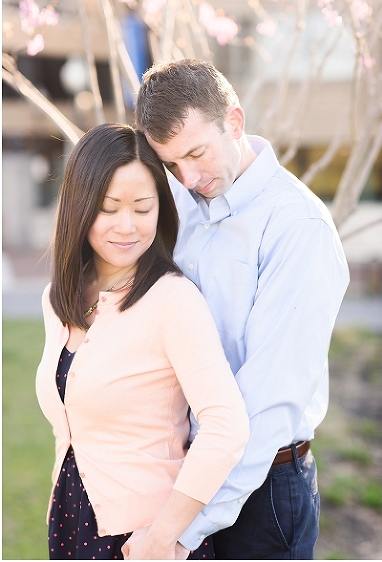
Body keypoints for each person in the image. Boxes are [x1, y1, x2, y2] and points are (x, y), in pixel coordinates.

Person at [133, 60, 350, 559]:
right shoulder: (180, 203)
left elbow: (267, 405)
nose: (188, 177)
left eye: (196, 153)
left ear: (234, 122)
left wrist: (180, 530)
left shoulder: (297, 227)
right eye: (172, 164)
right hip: (180, 477)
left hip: (261, 492)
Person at [36, 123, 250, 560]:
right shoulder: (59, 299)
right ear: (79, 206)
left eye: (143, 208)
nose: (127, 226)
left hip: (144, 536)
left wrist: (164, 536)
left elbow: (227, 426)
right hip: (73, 520)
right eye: (109, 208)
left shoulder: (172, 299)